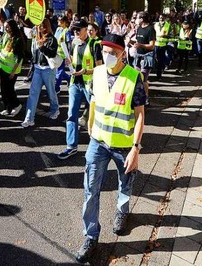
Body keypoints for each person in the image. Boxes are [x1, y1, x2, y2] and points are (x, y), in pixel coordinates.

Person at [76, 33, 146, 263]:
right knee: (90, 189)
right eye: (105, 52)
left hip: (124, 145)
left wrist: (135, 148)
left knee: (125, 183)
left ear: (122, 54)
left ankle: (122, 211)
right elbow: (94, 100)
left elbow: (139, 116)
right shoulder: (96, 73)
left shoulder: (134, 78)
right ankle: (91, 236)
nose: (107, 57)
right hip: (98, 142)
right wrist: (89, 122)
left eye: (113, 53)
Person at [58, 19, 102, 160]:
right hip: (75, 83)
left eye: (79, 29)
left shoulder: (94, 45)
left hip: (90, 85)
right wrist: (68, 62)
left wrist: (85, 71)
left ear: (85, 30)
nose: (76, 32)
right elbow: (71, 60)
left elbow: (100, 69)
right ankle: (71, 146)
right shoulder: (73, 44)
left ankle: (98, 145)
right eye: (74, 30)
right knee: (71, 114)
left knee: (96, 115)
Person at [21, 18, 60, 128]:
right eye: (39, 26)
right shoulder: (36, 38)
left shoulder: (52, 39)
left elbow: (52, 54)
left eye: (43, 26)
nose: (41, 28)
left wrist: (42, 48)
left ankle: (55, 110)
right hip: (38, 69)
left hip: (48, 69)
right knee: (33, 94)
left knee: (51, 92)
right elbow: (34, 54)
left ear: (47, 26)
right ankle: (29, 119)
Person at [0, 19, 26, 118]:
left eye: (8, 27)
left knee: (9, 89)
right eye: (5, 27)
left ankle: (16, 105)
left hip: (11, 70)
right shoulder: (5, 36)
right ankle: (7, 107)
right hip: (2, 67)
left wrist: (13, 72)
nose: (6, 29)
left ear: (13, 27)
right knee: (3, 89)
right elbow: (1, 47)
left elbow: (19, 57)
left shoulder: (17, 39)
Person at [132, 11, 155, 97]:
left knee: (143, 79)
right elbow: (138, 42)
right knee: (137, 78)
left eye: (137, 18)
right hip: (138, 56)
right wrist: (130, 42)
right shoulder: (139, 28)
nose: (136, 20)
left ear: (142, 19)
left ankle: (146, 98)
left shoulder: (150, 29)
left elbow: (152, 46)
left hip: (146, 57)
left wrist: (140, 45)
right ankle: (138, 96)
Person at [54, 15, 72, 93]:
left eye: (60, 20)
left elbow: (69, 44)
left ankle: (57, 87)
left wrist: (69, 55)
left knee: (60, 71)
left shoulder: (67, 31)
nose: (58, 21)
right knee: (58, 71)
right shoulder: (58, 29)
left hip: (63, 55)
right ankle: (69, 78)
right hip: (56, 54)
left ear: (64, 22)